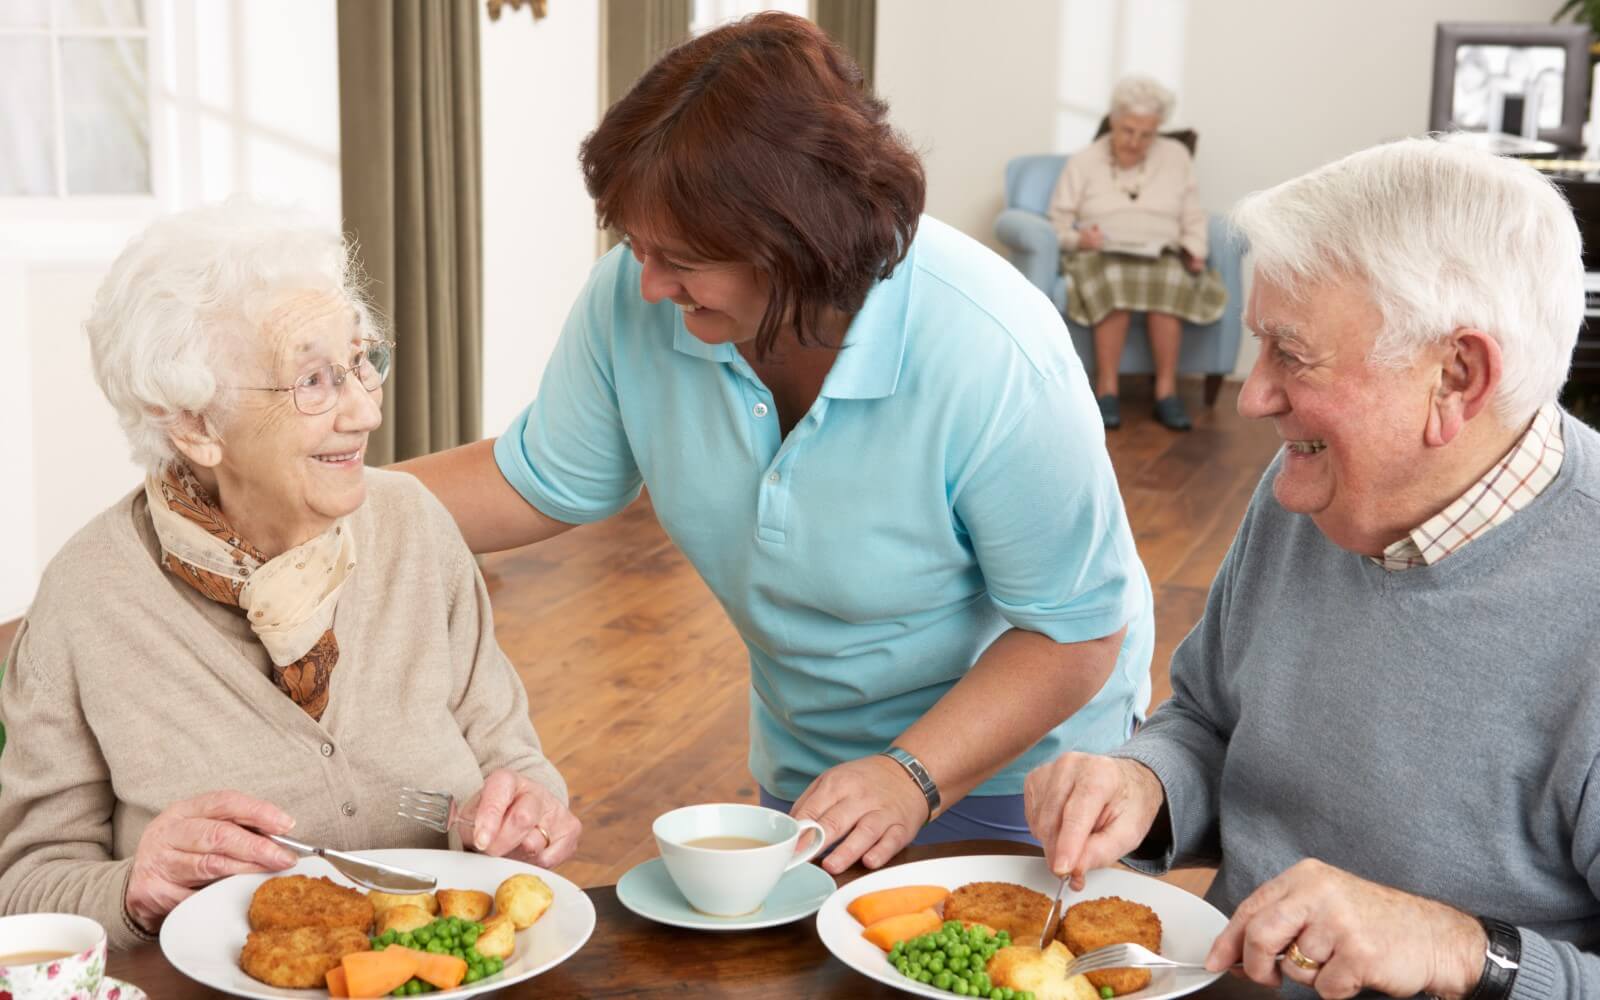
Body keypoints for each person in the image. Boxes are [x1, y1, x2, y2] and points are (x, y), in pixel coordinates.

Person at [399, 12, 1154, 876]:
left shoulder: (995, 352)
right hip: (815, 762)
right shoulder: (641, 300)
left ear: (799, 243)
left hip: (1023, 773)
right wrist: (322, 502)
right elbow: (534, 480)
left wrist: (913, 774)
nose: (646, 282)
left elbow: (1075, 633)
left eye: (680, 256)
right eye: (635, 246)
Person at [1024, 138, 1600, 998]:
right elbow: (1211, 719)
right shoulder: (1313, 483)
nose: (1253, 395)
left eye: (1289, 354)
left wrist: (1458, 950)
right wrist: (1145, 782)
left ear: (1457, 375)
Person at [0, 201, 580, 949]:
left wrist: (528, 810)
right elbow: (23, 887)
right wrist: (134, 888)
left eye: (362, 362)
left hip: (444, 974)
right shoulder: (87, 597)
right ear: (193, 424)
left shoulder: (414, 527)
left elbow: (512, 757)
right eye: (312, 380)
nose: (364, 410)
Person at [1048, 75, 1225, 432]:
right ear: (1113, 120)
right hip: (1100, 253)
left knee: (1172, 280)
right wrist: (1080, 240)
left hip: (1161, 252)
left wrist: (1195, 250)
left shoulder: (1175, 156)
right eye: (1128, 130)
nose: (1135, 141)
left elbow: (1192, 212)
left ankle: (1166, 392)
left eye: (1147, 134)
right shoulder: (1084, 161)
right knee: (1113, 280)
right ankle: (1107, 389)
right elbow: (1057, 222)